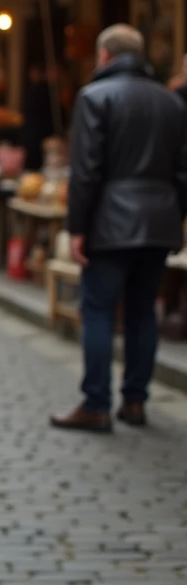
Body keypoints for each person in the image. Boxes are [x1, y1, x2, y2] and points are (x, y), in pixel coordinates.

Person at [51, 25, 187, 432]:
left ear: (104, 55)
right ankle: (135, 402)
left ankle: (96, 403)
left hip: (110, 221)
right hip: (158, 220)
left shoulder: (94, 96)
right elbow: (183, 171)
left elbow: (86, 171)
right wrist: (175, 216)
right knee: (143, 311)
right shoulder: (171, 102)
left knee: (97, 309)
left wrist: (77, 227)